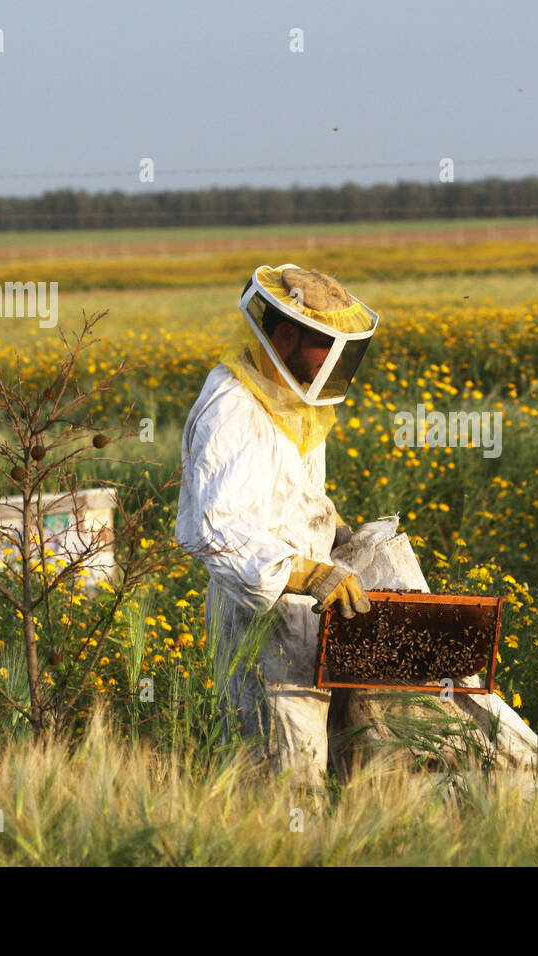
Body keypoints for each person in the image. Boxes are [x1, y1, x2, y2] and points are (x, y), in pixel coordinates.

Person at [175, 264, 378, 788]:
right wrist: (307, 574)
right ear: (285, 335)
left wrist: (331, 527)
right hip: (259, 623)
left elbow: (290, 491)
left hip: (308, 613)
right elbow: (215, 531)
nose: (333, 366)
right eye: (326, 349)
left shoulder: (292, 398)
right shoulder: (233, 407)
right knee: (282, 771)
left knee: (322, 760)